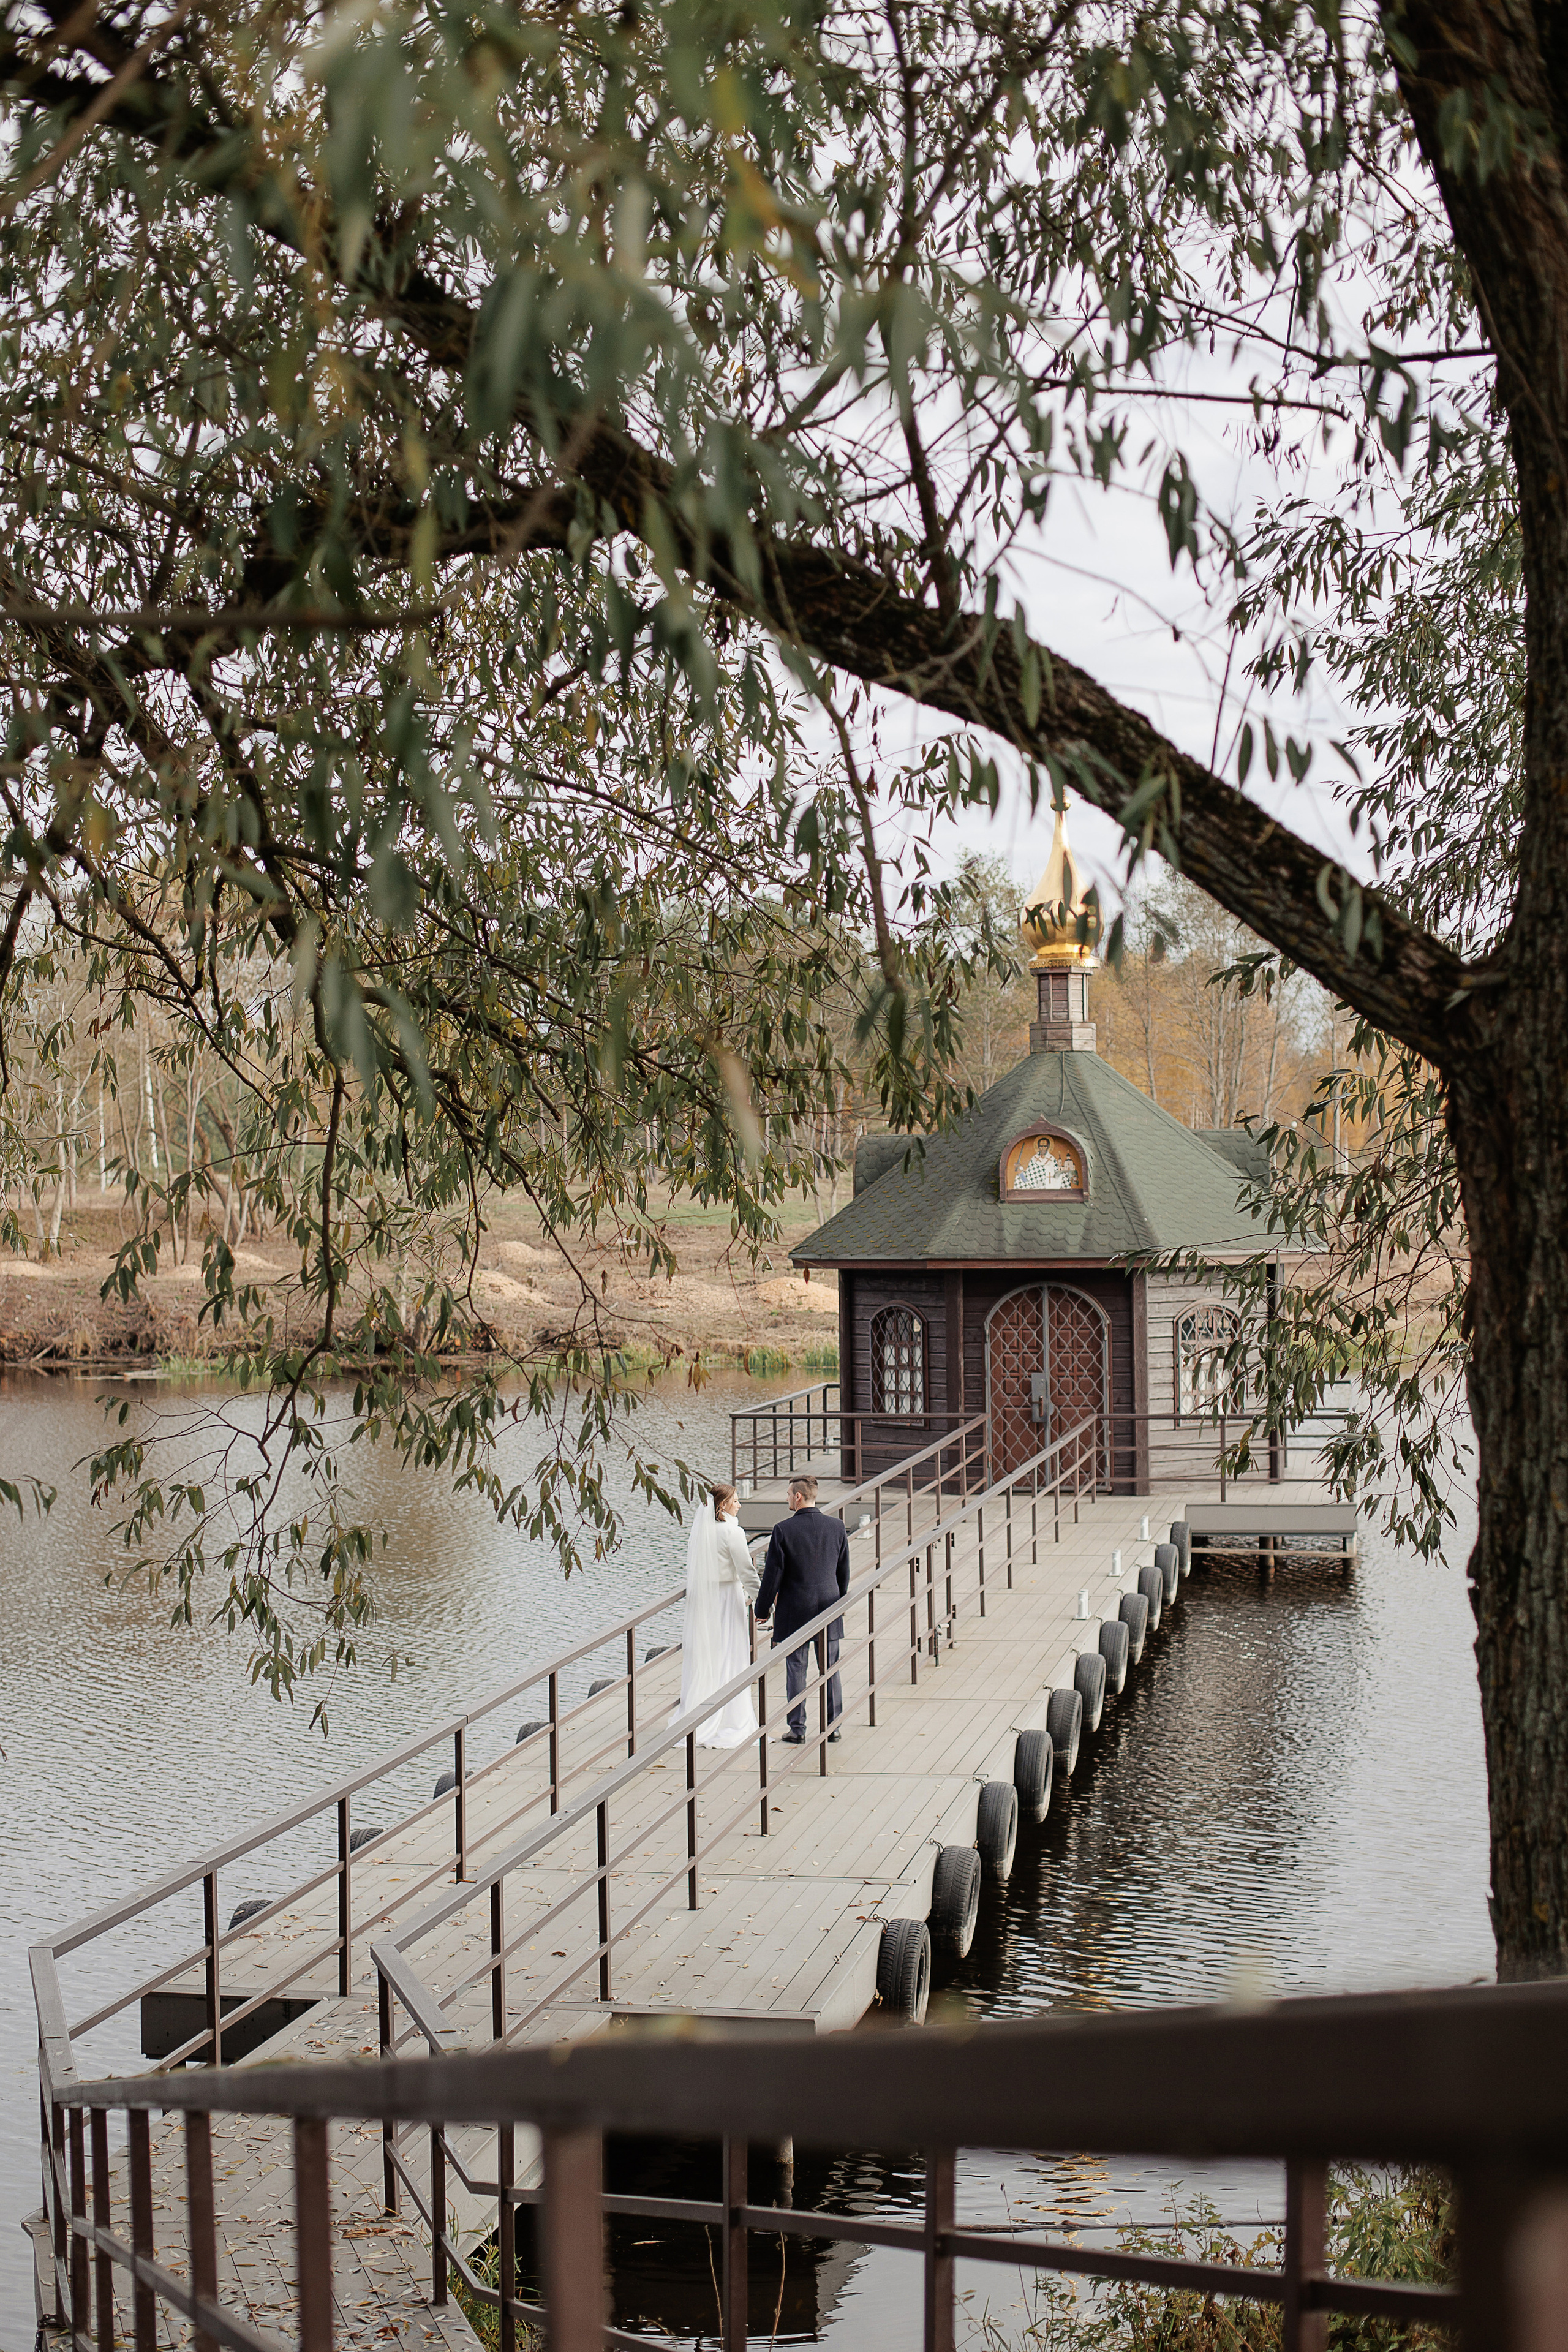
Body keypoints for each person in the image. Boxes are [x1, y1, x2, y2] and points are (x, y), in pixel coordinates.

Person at [755, 1474, 850, 1745]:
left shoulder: (783, 1530)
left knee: (796, 1669)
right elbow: (843, 1572)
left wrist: (762, 1610)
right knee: (830, 1668)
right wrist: (839, 1603)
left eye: (787, 1494)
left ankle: (797, 1729)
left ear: (798, 1496)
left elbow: (773, 1575)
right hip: (829, 1606)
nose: (786, 1498)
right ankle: (833, 1727)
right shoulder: (837, 1526)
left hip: (795, 1609)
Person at [672, 1481, 760, 1748]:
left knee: (710, 1653)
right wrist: (764, 1603)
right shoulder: (733, 1533)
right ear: (723, 1505)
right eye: (736, 1501)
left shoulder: (703, 1533)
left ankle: (701, 1710)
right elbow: (747, 1572)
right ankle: (729, 1718)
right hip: (727, 1598)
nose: (740, 1505)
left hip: (705, 1599)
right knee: (731, 1654)